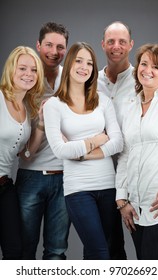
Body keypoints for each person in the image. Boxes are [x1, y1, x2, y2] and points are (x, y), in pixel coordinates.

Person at [43, 41, 123, 260]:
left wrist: (81, 152)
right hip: (78, 189)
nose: (84, 67)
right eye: (79, 60)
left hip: (108, 186)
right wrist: (97, 139)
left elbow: (117, 142)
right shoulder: (54, 105)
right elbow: (60, 149)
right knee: (100, 252)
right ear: (69, 64)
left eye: (89, 63)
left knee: (97, 251)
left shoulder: (103, 101)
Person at [15, 22, 70, 260]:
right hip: (30, 176)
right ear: (38, 45)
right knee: (23, 251)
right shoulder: (24, 80)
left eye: (60, 47)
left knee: (56, 252)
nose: (54, 51)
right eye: (48, 45)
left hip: (65, 177)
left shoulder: (72, 79)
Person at [116, 43, 158, 260]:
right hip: (137, 209)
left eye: (156, 67)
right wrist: (122, 200)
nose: (148, 70)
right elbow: (125, 154)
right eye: (144, 63)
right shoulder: (131, 107)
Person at [0, 45, 44, 259]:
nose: (28, 74)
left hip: (5, 186)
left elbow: (26, 154)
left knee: (15, 252)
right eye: (23, 68)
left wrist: (42, 124)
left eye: (34, 70)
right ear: (11, 70)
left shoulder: (26, 107)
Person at [97, 21, 136, 259]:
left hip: (134, 171)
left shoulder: (143, 77)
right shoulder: (92, 81)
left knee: (148, 245)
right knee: (109, 246)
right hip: (101, 174)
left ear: (131, 45)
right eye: (111, 41)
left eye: (122, 41)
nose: (116, 46)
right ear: (103, 45)